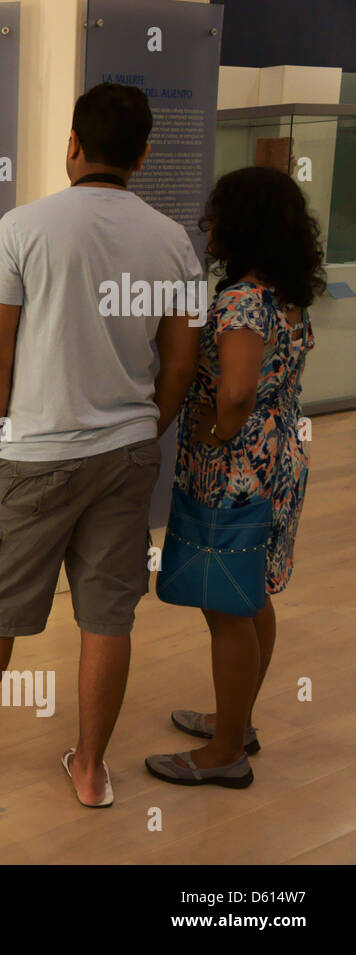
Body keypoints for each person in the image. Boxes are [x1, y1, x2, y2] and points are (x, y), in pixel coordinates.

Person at [0, 83, 203, 807]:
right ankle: (89, 769)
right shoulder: (174, 242)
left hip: (35, 453)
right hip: (127, 453)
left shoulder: (24, 228)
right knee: (109, 615)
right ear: (144, 154)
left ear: (72, 146)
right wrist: (146, 426)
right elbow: (181, 362)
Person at [146, 167, 323, 788]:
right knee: (250, 596)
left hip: (237, 468)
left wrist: (213, 434)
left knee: (226, 605)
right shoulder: (287, 295)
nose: (209, 226)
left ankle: (225, 753)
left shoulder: (244, 301)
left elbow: (239, 391)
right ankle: (235, 721)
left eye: (218, 215)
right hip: (278, 459)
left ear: (240, 224)